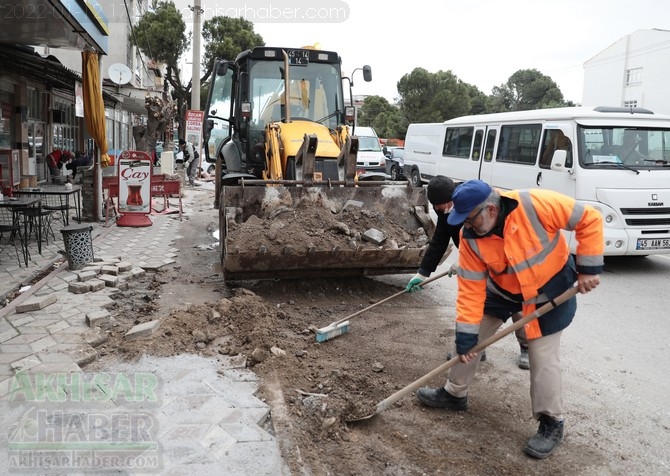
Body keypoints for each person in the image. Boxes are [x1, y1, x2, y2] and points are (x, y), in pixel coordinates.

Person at [415, 179, 603, 460]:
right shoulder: (471, 237)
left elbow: (590, 218)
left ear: (490, 210)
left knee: (542, 358)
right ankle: (454, 394)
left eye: (470, 219)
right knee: (469, 339)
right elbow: (470, 288)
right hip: (502, 290)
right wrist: (467, 335)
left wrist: (588, 267)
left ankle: (551, 422)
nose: (466, 226)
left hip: (549, 293)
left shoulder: (536, 205)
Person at [405, 176, 530, 368]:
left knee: (516, 304)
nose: (438, 209)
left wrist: (466, 260)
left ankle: (527, 347)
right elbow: (439, 240)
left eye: (439, 205)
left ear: (451, 199)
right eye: (435, 206)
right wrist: (422, 273)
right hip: (473, 262)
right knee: (475, 304)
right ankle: (476, 347)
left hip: (501, 261)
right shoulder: (447, 213)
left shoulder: (475, 203)